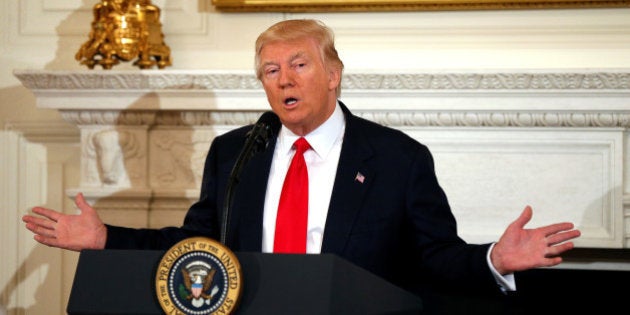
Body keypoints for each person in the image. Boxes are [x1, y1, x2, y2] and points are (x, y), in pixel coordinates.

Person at [23, 19, 580, 311]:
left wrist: (494, 259)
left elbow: (433, 258)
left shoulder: (396, 158)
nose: (284, 79)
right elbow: (200, 248)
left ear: (332, 74)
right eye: (269, 70)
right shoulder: (236, 151)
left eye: (298, 64)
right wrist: (107, 240)